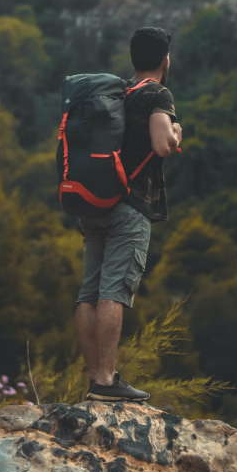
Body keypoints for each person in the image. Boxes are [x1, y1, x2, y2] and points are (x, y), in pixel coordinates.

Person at [75, 27, 182, 402]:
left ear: (133, 58)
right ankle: (105, 383)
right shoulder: (158, 93)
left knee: (89, 292)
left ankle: (96, 379)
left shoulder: (115, 91)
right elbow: (162, 144)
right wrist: (177, 133)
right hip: (130, 205)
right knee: (114, 292)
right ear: (165, 60)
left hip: (92, 201)